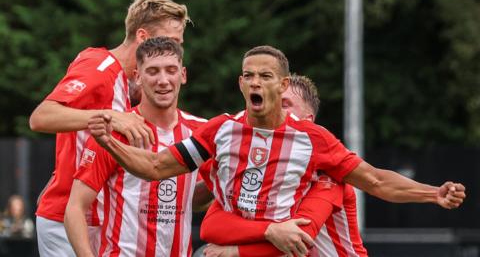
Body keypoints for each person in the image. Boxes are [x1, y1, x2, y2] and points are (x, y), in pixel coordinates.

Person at [88, 45, 466, 257]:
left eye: (266, 76)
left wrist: (432, 193)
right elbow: (156, 167)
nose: (256, 82)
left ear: (282, 83)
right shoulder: (220, 131)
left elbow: (374, 181)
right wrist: (107, 142)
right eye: (249, 75)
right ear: (240, 84)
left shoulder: (313, 142)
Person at [29, 0, 191, 257]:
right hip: (66, 217)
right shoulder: (100, 67)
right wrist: (110, 116)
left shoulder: (134, 85)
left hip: (101, 220)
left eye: (179, 44)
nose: (176, 50)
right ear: (142, 37)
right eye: (170, 41)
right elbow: (41, 117)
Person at [64, 37, 206, 257]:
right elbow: (75, 208)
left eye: (171, 70)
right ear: (138, 77)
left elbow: (197, 201)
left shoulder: (201, 131)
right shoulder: (115, 131)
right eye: (153, 72)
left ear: (183, 75)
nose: (163, 80)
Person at [200, 74, 367, 257]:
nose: (274, 109)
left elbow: (298, 241)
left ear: (308, 121)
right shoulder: (266, 175)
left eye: (285, 104)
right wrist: (270, 230)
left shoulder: (327, 173)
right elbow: (211, 225)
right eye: (271, 100)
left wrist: (235, 251)